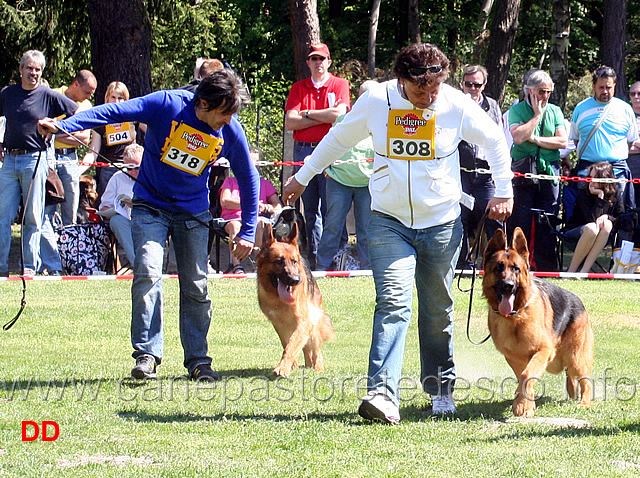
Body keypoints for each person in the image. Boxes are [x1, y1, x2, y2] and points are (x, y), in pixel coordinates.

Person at [283, 43, 513, 422]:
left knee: (437, 309)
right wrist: (303, 176)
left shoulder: (455, 104)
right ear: (402, 81)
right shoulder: (375, 99)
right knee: (392, 302)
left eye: (435, 90)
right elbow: (339, 139)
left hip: (440, 222)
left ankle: (440, 388)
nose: (429, 98)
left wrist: (504, 190)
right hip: (387, 219)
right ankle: (383, 395)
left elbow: (494, 140)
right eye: (421, 91)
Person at [39, 69, 260, 381]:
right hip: (150, 205)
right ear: (205, 104)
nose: (228, 122)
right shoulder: (167, 104)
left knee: (196, 284)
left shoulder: (230, 129)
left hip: (193, 212)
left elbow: (249, 176)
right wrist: (62, 125)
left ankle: (198, 361)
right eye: (224, 114)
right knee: (147, 272)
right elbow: (112, 110)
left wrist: (248, 229)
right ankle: (147, 355)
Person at [0, 50, 78, 277]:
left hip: (35, 159)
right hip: (9, 161)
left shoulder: (47, 94)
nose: (33, 73)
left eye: (38, 69)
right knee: (3, 218)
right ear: (20, 69)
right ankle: (2, 270)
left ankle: (29, 270)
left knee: (33, 218)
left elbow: (77, 111)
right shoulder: (8, 93)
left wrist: (54, 126)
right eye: (30, 68)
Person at [284, 43, 351, 269]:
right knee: (310, 209)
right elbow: (290, 122)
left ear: (329, 62)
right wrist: (324, 117)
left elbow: (339, 114)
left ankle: (337, 257)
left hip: (331, 150)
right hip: (303, 150)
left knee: (333, 207)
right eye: (314, 59)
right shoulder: (299, 88)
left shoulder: (339, 84)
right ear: (308, 63)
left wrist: (308, 114)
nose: (318, 63)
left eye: (322, 59)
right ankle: (313, 259)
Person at [508, 69, 567, 271]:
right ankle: (518, 267)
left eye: (548, 92)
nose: (545, 96)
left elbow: (562, 141)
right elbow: (518, 137)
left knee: (547, 222)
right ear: (529, 91)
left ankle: (547, 269)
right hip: (523, 172)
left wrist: (535, 139)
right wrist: (537, 115)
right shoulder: (517, 110)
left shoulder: (556, 111)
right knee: (520, 222)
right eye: (541, 91)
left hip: (549, 172)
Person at [316, 80, 375, 271]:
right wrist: (325, 166)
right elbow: (330, 144)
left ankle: (367, 270)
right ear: (359, 98)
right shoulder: (343, 119)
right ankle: (322, 267)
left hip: (367, 184)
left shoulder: (383, 123)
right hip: (338, 181)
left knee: (366, 230)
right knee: (332, 226)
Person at [569, 66, 638, 210]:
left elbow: (630, 142)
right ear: (593, 86)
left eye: (608, 87)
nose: (605, 91)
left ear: (614, 86)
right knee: (585, 214)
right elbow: (575, 139)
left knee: (621, 215)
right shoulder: (580, 108)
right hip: (587, 170)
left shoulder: (625, 109)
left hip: (617, 170)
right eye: (601, 87)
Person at [456, 65, 502, 269]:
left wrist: (498, 171)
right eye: (469, 84)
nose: (473, 88)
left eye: (477, 84)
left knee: (494, 216)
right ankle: (463, 263)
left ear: (484, 85)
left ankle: (498, 263)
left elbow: (500, 138)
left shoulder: (492, 105)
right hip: (461, 171)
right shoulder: (455, 104)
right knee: (460, 219)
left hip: (486, 173)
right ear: (462, 84)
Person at [219, 145, 282, 273]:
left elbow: (278, 206)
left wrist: (266, 207)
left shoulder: (264, 183)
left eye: (255, 164)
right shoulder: (230, 181)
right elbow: (224, 201)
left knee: (259, 223)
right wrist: (249, 204)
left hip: (256, 218)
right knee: (235, 226)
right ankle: (237, 266)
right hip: (232, 218)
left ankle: (257, 264)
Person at [51, 70, 97, 225]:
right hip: (50, 156)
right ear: (76, 84)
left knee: (70, 205)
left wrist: (54, 134)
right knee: (49, 205)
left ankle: (68, 241)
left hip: (70, 158)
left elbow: (84, 139)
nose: (89, 96)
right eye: (87, 92)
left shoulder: (86, 106)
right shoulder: (54, 95)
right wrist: (71, 134)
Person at [564, 161, 623, 273]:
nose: (590, 180)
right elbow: (591, 220)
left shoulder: (616, 193)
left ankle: (583, 273)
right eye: (590, 177)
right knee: (592, 228)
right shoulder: (584, 192)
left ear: (604, 179)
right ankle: (570, 271)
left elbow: (621, 217)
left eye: (595, 178)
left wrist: (607, 217)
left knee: (607, 224)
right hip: (576, 231)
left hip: (601, 234)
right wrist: (600, 197)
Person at [83, 81, 137, 199]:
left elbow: (151, 131)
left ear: (126, 99)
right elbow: (93, 151)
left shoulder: (133, 116)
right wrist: (79, 169)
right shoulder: (101, 121)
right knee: (107, 206)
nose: (116, 101)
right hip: (108, 170)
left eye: (120, 98)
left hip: (131, 169)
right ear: (107, 98)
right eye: (113, 97)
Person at [98, 143, 143, 267]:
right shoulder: (117, 178)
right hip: (126, 221)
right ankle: (138, 266)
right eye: (129, 167)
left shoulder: (154, 176)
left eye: (137, 167)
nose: (133, 171)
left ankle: (146, 266)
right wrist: (114, 209)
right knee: (116, 221)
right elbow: (104, 206)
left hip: (149, 219)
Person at [627, 81, 640, 209]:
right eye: (633, 94)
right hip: (628, 175)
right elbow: (619, 146)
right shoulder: (624, 116)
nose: (636, 97)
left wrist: (632, 144)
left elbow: (627, 145)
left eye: (639, 93)